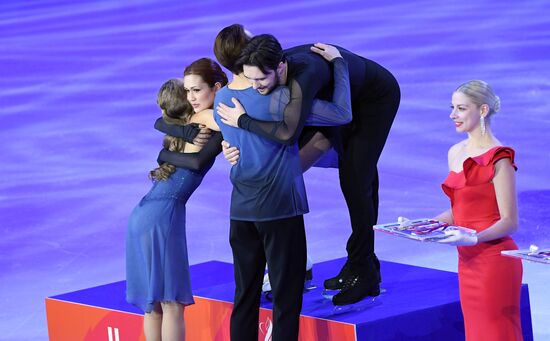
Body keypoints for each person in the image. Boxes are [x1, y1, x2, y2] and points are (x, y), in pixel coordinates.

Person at [217, 31, 401, 305]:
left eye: (261, 79)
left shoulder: (304, 77)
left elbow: (290, 133)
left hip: (372, 100)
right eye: (250, 79)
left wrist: (242, 121)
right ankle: (354, 261)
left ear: (280, 67)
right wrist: (231, 147)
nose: (255, 86)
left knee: (354, 177)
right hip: (333, 100)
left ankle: (364, 270)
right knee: (298, 162)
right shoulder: (271, 67)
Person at [213, 26, 352, 341]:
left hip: (241, 212)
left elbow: (234, 143)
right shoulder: (281, 98)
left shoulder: (222, 98)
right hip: (280, 210)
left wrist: (229, 147)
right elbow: (342, 114)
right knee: (287, 302)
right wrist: (339, 64)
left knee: (244, 297)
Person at [126, 59, 227, 341]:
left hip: (143, 213)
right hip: (163, 216)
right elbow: (224, 122)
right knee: (172, 303)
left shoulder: (178, 125)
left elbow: (161, 121)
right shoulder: (203, 118)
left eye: (196, 90)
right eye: (190, 92)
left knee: (154, 305)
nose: (194, 97)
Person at [429, 80, 522, 340]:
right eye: (452, 108)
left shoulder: (499, 157)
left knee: (496, 332)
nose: (452, 115)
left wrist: (474, 238)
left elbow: (510, 221)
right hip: (467, 259)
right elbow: (459, 210)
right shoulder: (454, 152)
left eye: (460, 108)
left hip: (495, 260)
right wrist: (427, 224)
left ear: (482, 111)